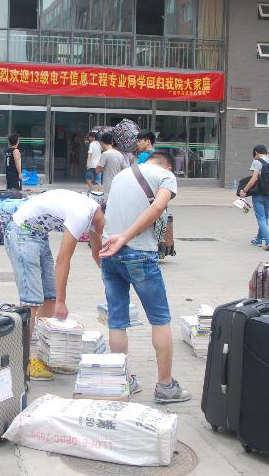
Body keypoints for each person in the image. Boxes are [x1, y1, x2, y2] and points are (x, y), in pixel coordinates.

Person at [96, 151, 189, 404]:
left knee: (117, 321)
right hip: (139, 255)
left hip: (109, 254)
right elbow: (158, 207)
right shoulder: (166, 176)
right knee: (160, 319)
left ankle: (124, 381)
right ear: (168, 167)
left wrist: (115, 240)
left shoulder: (122, 175)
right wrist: (125, 237)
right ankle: (166, 386)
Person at [4, 189, 104, 381]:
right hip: (21, 232)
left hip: (39, 236)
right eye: (107, 229)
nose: (105, 233)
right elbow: (63, 259)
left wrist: (109, 279)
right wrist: (62, 301)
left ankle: (44, 357)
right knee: (32, 303)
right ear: (104, 213)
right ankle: (23, 364)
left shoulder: (95, 216)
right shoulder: (82, 214)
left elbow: (96, 252)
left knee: (49, 298)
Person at [238, 145, 269, 251]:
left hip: (259, 194)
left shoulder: (257, 162)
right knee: (265, 217)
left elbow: (254, 178)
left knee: (261, 218)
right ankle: (258, 239)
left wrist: (244, 190)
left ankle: (268, 241)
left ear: (256, 152)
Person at [95, 132, 129, 200]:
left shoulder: (105, 154)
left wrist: (99, 165)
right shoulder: (119, 154)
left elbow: (97, 170)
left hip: (108, 188)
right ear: (112, 142)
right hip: (118, 186)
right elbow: (126, 170)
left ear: (102, 143)